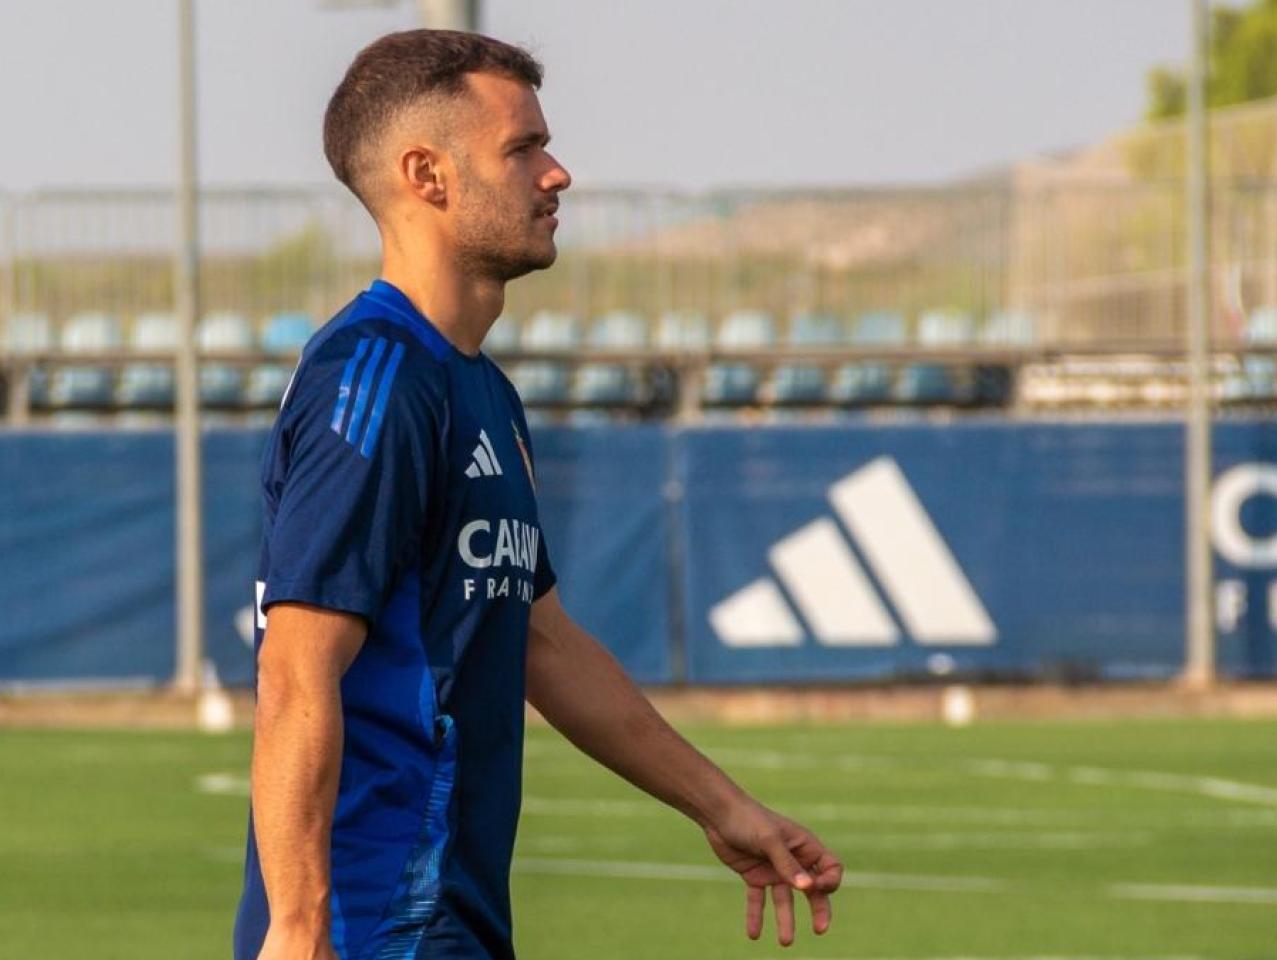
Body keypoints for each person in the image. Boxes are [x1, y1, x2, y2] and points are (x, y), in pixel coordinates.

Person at [234, 29, 843, 960]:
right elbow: (296, 671)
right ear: (426, 175)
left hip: (456, 917)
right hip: (374, 925)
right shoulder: (377, 377)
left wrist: (723, 809)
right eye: (522, 148)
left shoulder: (479, 386)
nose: (557, 174)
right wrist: (300, 925)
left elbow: (545, 642)